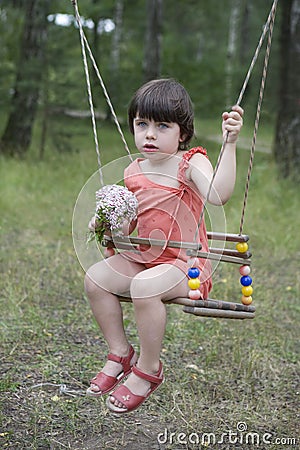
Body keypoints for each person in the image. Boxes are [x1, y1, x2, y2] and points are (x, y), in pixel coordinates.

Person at [84, 78, 244, 413]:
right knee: (96, 278)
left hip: (185, 265)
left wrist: (229, 145)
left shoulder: (190, 163)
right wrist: (107, 222)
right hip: (144, 258)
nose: (150, 134)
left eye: (162, 126)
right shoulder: (133, 169)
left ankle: (148, 368)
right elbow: (132, 222)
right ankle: (119, 352)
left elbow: (218, 195)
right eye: (142, 124)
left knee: (144, 286)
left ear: (182, 134)